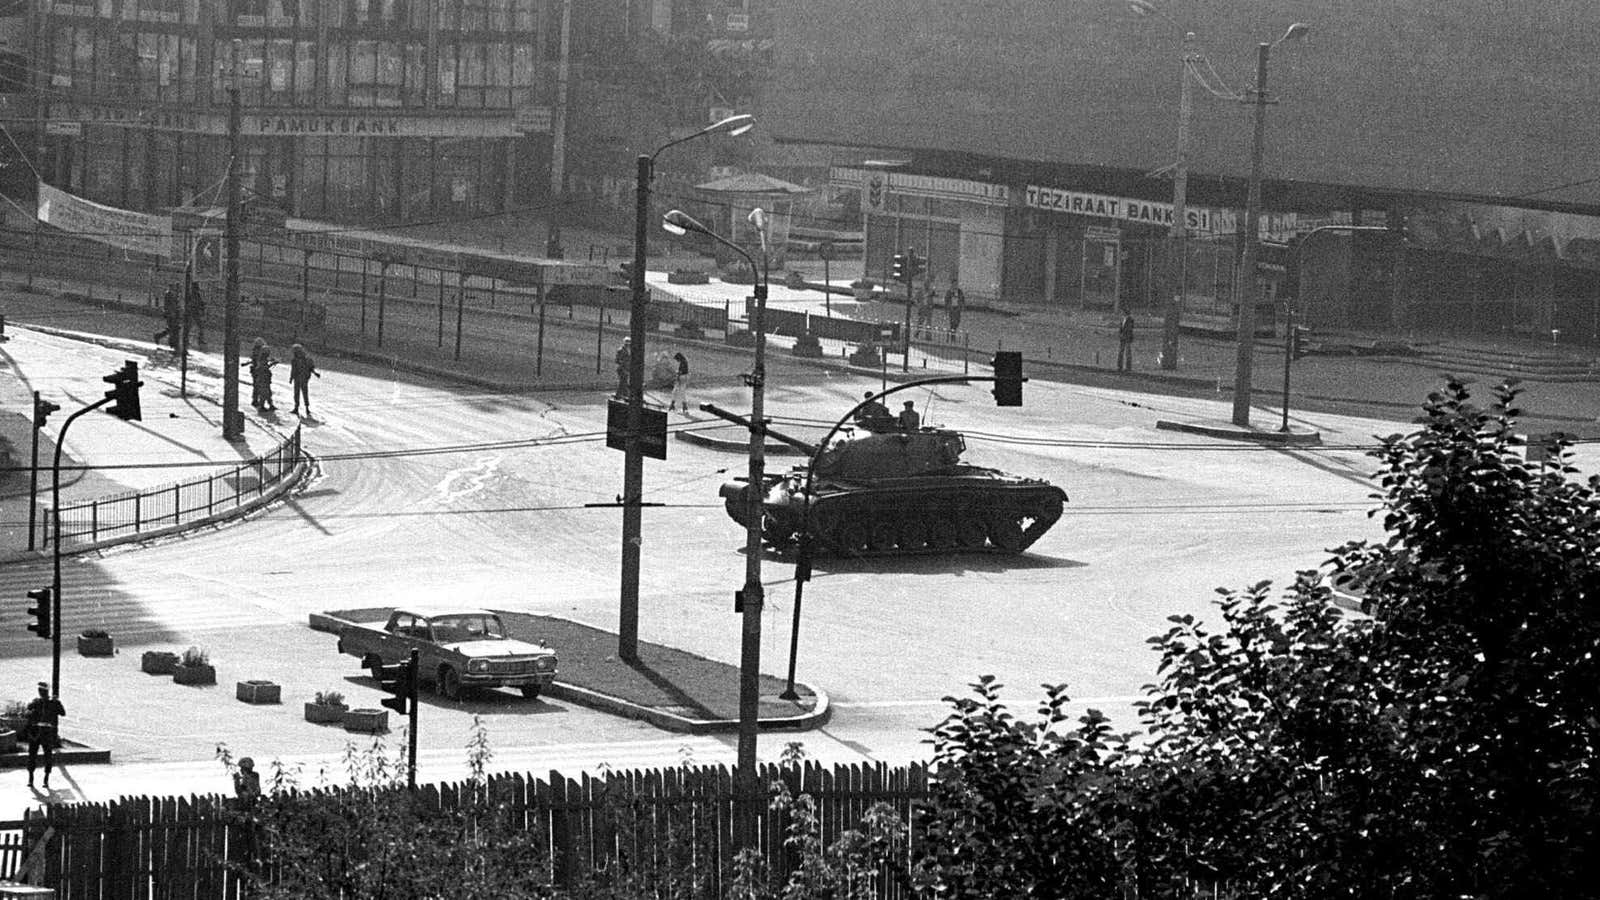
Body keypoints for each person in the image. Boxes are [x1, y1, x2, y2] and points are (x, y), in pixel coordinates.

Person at [24, 682, 64, 790]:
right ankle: (31, 778)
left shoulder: (53, 703)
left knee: (48, 756)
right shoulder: (36, 702)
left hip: (47, 731)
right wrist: (30, 711)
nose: (41, 693)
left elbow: (62, 713)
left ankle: (46, 779)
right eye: (40, 691)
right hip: (35, 731)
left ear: (47, 691)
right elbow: (27, 711)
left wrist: (57, 702)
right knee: (32, 755)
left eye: (43, 691)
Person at [244, 338, 277, 412]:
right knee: (261, 389)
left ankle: (268, 403)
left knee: (264, 389)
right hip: (260, 375)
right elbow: (262, 365)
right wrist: (271, 363)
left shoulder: (259, 353)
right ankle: (259, 403)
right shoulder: (257, 353)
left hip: (260, 374)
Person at [289, 343, 319, 417]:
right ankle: (306, 408)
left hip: (299, 378)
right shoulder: (307, 359)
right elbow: (311, 368)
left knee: (298, 393)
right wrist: (315, 373)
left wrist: (291, 378)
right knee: (304, 393)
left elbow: (293, 370)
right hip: (303, 378)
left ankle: (297, 408)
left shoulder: (296, 360)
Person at [154, 283, 183, 350]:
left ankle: (160, 337)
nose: (178, 290)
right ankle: (172, 343)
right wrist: (170, 313)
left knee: (172, 328)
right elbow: (168, 305)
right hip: (171, 314)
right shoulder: (169, 294)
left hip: (174, 314)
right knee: (173, 328)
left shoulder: (175, 294)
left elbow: (176, 305)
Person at [185, 282, 207, 348]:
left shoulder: (195, 294)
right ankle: (197, 340)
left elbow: (200, 302)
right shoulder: (192, 295)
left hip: (195, 312)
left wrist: (202, 306)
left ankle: (200, 340)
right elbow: (197, 303)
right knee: (191, 327)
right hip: (192, 312)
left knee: (199, 326)